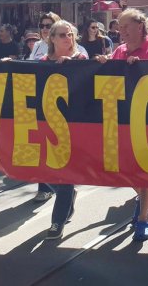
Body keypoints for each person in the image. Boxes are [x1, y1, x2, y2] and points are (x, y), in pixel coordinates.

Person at [95, 8, 148, 242]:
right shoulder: (118, 51)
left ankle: (143, 218)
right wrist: (104, 65)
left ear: (140, 26)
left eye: (125, 26)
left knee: (144, 169)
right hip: (122, 119)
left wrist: (141, 70)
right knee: (124, 169)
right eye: (119, 26)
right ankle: (142, 198)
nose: (121, 31)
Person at [40, 20, 85, 239]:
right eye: (62, 35)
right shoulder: (41, 61)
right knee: (42, 170)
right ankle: (68, 197)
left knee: (65, 174)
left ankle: (57, 222)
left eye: (70, 34)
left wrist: (73, 67)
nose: (68, 38)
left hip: (72, 126)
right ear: (52, 39)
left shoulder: (80, 58)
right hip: (45, 124)